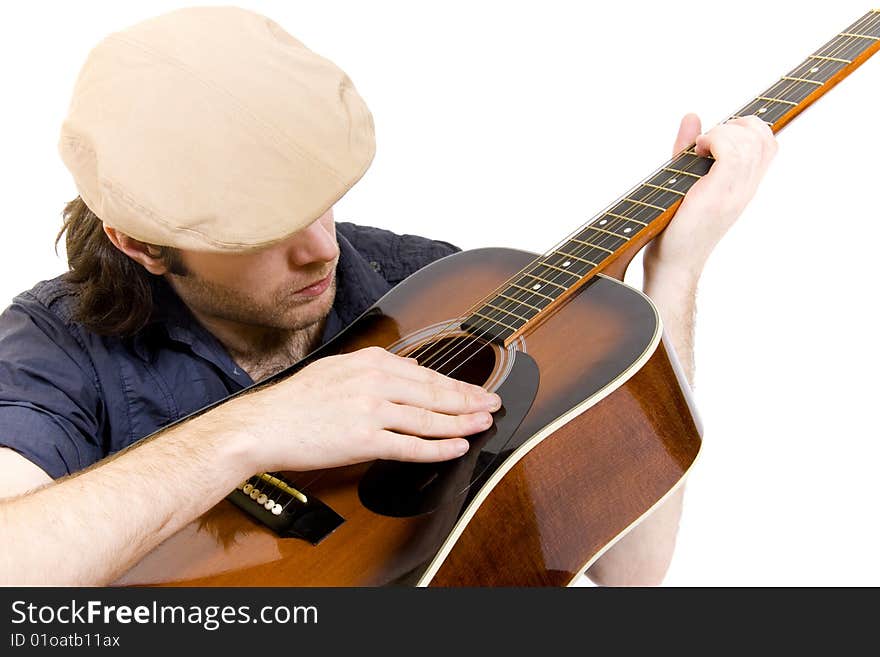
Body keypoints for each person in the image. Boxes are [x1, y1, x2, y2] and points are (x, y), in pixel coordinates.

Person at [0, 6, 776, 586]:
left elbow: (629, 569)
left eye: (321, 197)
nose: (321, 247)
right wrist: (256, 426)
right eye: (260, 232)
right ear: (141, 243)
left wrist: (674, 273)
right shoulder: (55, 344)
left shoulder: (436, 286)